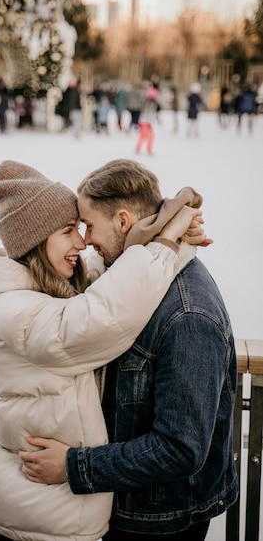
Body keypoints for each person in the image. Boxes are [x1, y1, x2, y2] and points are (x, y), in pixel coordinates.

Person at [0, 159, 207, 541]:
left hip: (51, 505)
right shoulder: (11, 308)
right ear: (37, 240)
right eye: (69, 230)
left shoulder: (45, 286)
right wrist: (164, 246)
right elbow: (99, 316)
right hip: (37, 511)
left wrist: (161, 230)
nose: (83, 242)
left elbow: (107, 282)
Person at [20, 159, 238, 541]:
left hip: (159, 521)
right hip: (125, 508)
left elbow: (180, 449)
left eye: (89, 225)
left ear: (123, 222)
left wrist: (73, 466)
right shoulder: (129, 279)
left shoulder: (188, 315)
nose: (86, 240)